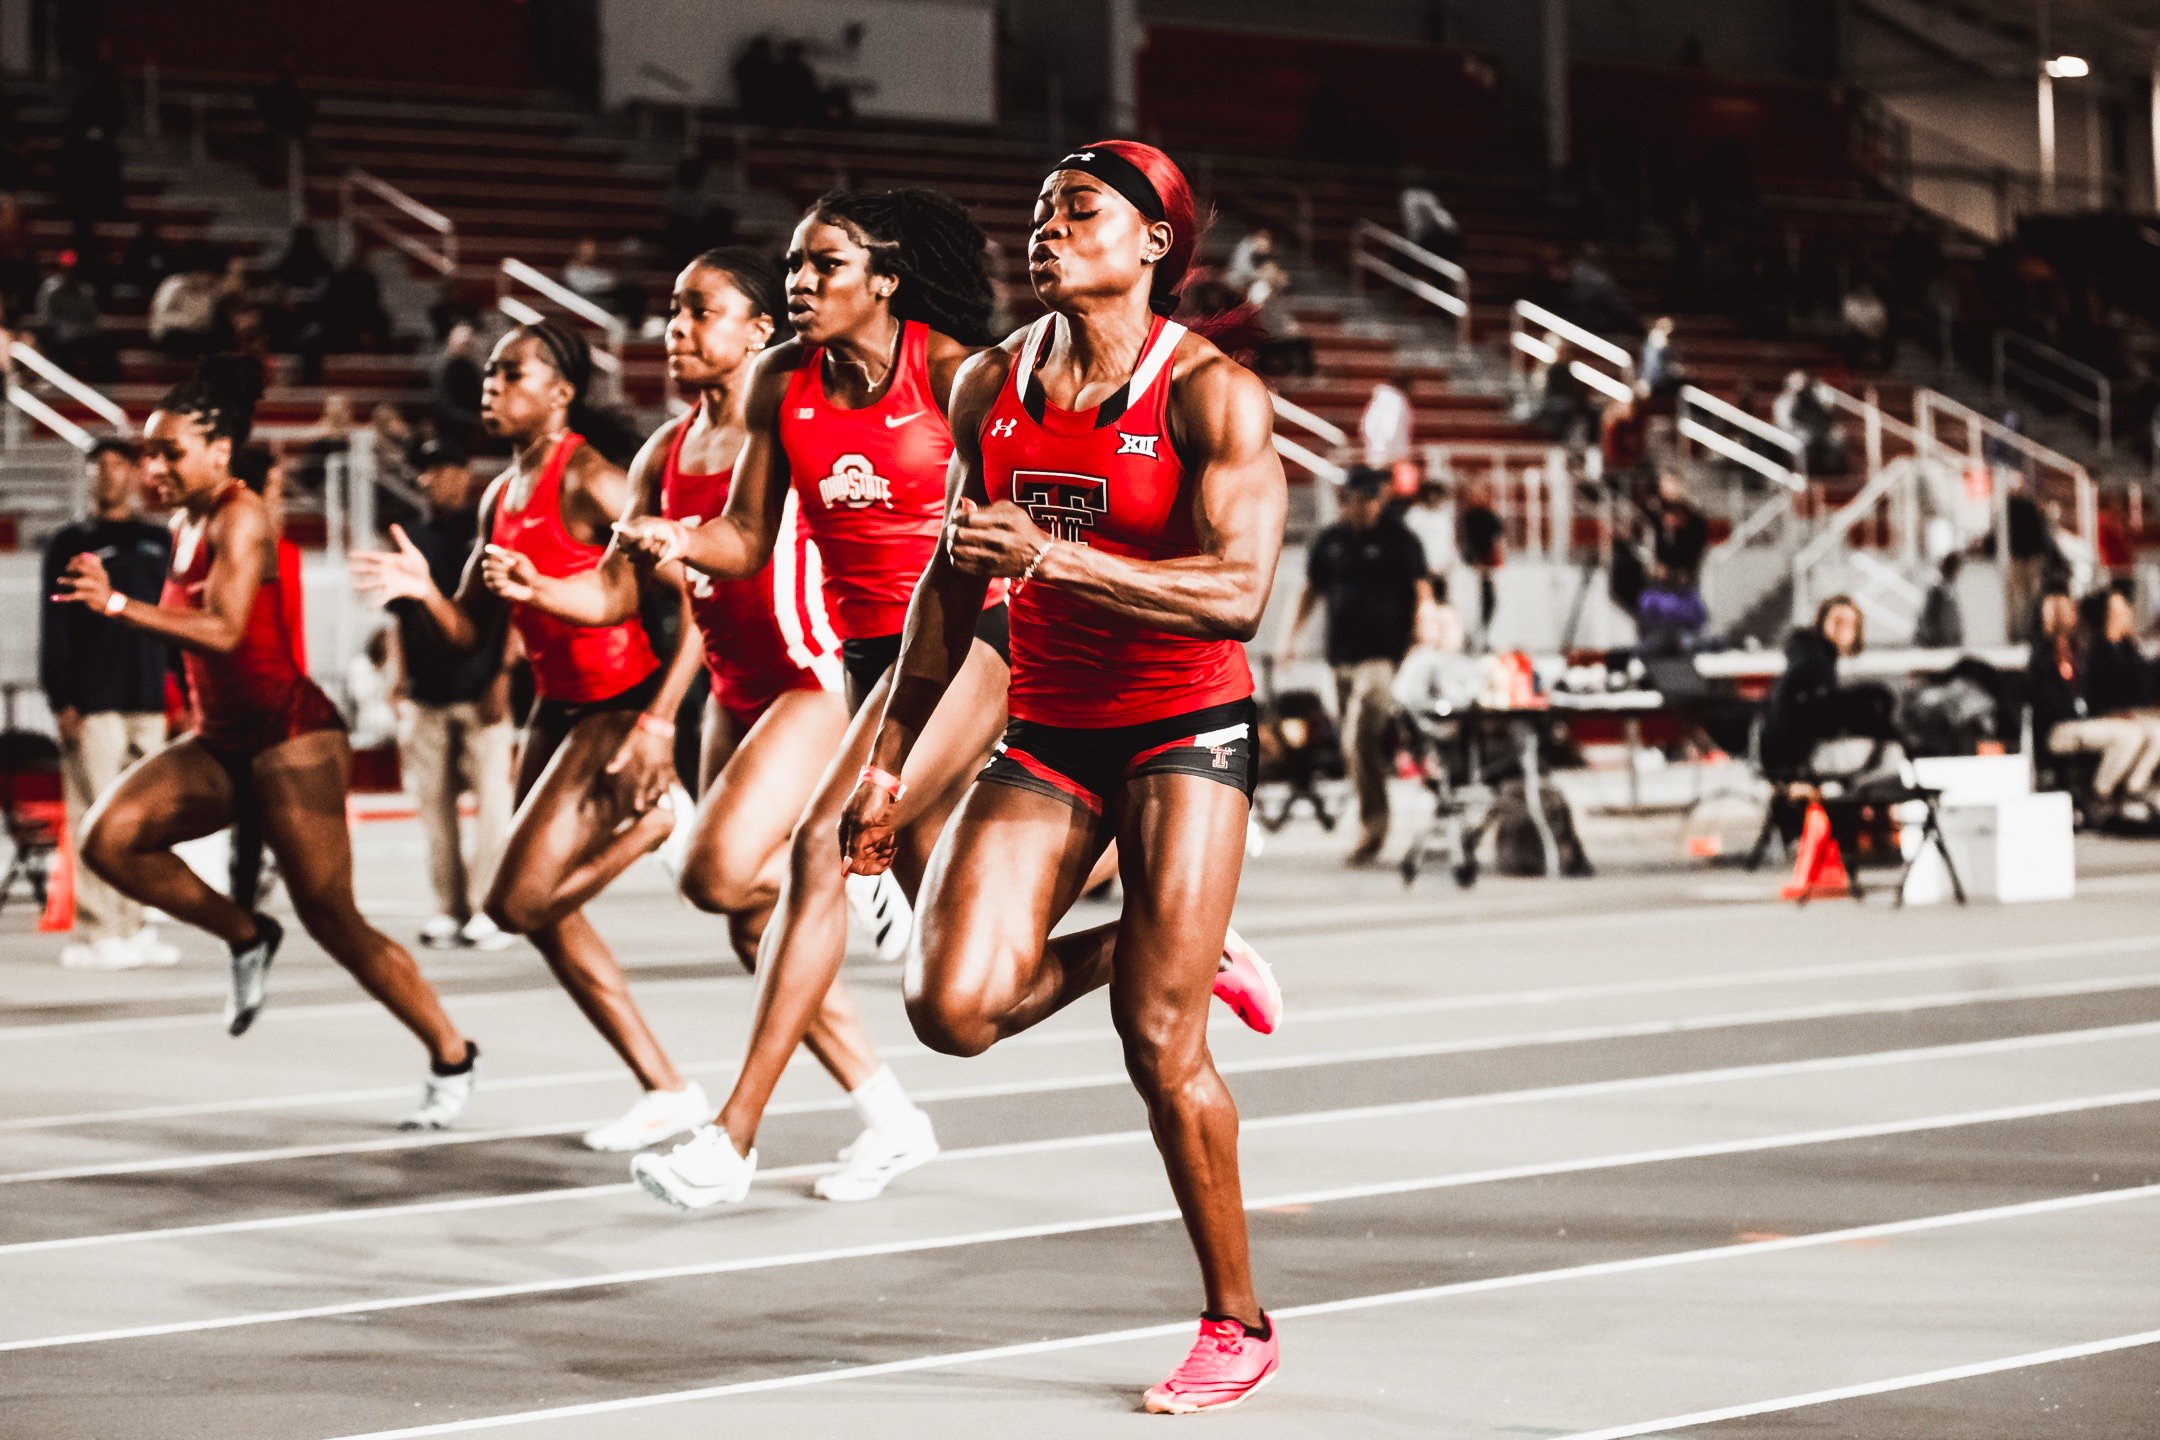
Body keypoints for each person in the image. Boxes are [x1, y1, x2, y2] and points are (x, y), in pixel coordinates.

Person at [832, 139, 1286, 1413]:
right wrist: (887, 766)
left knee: (1159, 1039)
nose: (1046, 229)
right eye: (1036, 213)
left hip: (1182, 731)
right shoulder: (988, 386)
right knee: (953, 1011)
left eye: (1079, 211)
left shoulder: (1211, 396)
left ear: (1154, 243)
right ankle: (1175, 935)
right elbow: (948, 589)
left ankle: (1236, 1322)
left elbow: (1237, 598)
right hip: (1047, 728)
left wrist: (1057, 562)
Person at [489, 248, 934, 1199]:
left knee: (718, 869)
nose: (675, 332)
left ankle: (858, 872)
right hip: (733, 693)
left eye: (700, 313)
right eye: (672, 315)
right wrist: (543, 589)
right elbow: (617, 592)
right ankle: (891, 1118)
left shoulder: (794, 429)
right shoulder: (662, 453)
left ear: (759, 331)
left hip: (811, 680)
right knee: (752, 927)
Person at [611, 188, 1015, 1202]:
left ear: (884, 279)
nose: (800, 282)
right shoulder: (781, 383)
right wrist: (679, 539)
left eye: (823, 264)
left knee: (818, 848)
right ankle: (1148, 934)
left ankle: (730, 1142)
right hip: (874, 660)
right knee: (958, 948)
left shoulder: (955, 370)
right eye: (792, 265)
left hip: (977, 638)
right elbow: (745, 535)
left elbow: (1040, 492)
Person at [55, 358, 480, 1128]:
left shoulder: (239, 514)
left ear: (218, 452)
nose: (153, 468)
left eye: (169, 452)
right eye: (148, 452)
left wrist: (116, 604)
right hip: (221, 742)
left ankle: (452, 1054)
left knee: (336, 920)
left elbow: (221, 631)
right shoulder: (183, 522)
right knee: (108, 840)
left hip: (292, 738)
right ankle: (247, 932)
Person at [352, 320, 709, 1153]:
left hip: (619, 701)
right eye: (488, 373)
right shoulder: (497, 494)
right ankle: (666, 1088)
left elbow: (666, 601)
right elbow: (469, 636)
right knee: (546, 914)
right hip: (553, 706)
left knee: (513, 903)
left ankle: (663, 819)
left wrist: (659, 719)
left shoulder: (592, 479)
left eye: (513, 373)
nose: (491, 386)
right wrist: (417, 592)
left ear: (562, 392)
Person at [40, 438, 174, 970]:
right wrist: (61, 698)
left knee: (146, 822)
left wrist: (180, 691)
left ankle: (136, 925)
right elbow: (55, 625)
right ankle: (98, 931)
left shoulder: (155, 541)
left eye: (120, 467)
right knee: (97, 819)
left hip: (149, 700)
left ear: (137, 476)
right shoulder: (71, 542)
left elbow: (171, 619)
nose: (109, 477)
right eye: (100, 468)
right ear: (90, 476)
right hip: (94, 702)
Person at [388, 441, 513, 951]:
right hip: (426, 693)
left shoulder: (486, 533)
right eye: (428, 471)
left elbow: (513, 608)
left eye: (445, 469)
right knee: (433, 809)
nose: (434, 480)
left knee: (493, 806)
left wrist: (504, 674)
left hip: (481, 685)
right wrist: (397, 679)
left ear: (465, 475)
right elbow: (399, 617)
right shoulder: (412, 538)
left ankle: (488, 909)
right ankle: (448, 909)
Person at [1277, 466, 1434, 865]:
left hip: (1383, 659)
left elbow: (1422, 592)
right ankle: (1379, 796)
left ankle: (1373, 827)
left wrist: (1423, 640)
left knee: (1356, 735)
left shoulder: (1400, 540)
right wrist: (1287, 641)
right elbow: (1308, 592)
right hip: (1340, 660)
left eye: (1373, 499)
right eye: (1359, 499)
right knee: (1354, 744)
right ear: (1345, 500)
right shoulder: (1330, 542)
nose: (1367, 507)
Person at [2035, 589, 2160, 822]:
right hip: (2063, 725)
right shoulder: (2047, 654)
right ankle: (2101, 795)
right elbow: (2053, 701)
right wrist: (2088, 712)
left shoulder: (2079, 648)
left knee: (2150, 731)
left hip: (2085, 719)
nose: (2075, 611)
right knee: (2129, 735)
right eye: (2067, 608)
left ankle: (2133, 790)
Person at [33, 248, 109, 378]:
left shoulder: (86, 292)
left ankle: (102, 384)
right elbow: (45, 318)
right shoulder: (50, 290)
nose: (69, 273)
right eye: (66, 269)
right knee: (49, 340)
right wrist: (65, 330)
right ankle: (54, 380)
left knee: (103, 343)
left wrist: (77, 331)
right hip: (56, 335)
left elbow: (92, 321)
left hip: (80, 336)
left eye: (72, 269)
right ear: (60, 269)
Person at [1456, 478, 1504, 648]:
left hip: (1486, 565)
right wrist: (1472, 561)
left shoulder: (1489, 515)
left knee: (1488, 602)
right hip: (1473, 566)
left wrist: (1493, 562)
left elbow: (1497, 538)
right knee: (1472, 604)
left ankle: (1483, 636)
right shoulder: (1467, 517)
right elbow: (1464, 540)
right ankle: (1472, 638)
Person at [149, 252, 222, 359]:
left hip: (195, 336)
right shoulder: (173, 285)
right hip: (170, 335)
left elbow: (205, 322)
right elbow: (158, 318)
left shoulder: (208, 290)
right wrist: (187, 321)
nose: (206, 281)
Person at [1360, 372, 1415, 471]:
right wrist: (1395, 456)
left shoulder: (1381, 399)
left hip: (1380, 455)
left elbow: (1366, 426)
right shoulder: (1394, 402)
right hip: (1388, 459)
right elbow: (1390, 430)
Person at [1914, 553, 1966, 650]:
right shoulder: (1937, 591)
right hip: (1939, 645)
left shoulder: (1948, 590)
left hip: (1948, 644)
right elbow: (1929, 619)